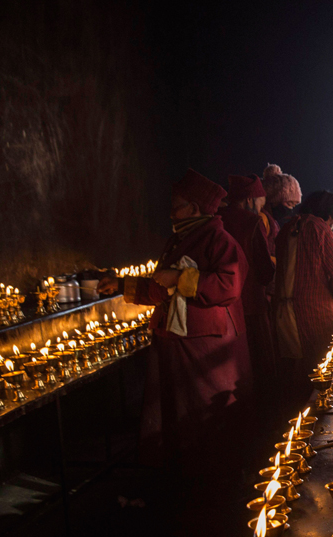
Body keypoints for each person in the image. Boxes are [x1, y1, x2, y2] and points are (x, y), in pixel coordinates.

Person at [99, 169, 250, 463]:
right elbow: (160, 287)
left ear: (194, 208)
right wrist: (119, 285)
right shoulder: (180, 239)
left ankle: (214, 472)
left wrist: (182, 278)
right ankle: (183, 471)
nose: (171, 211)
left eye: (176, 204)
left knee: (203, 407)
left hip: (204, 344)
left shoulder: (219, 240)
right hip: (175, 339)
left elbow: (229, 285)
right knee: (178, 411)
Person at [272, 191, 333, 408]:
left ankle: (292, 416)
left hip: (283, 309)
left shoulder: (288, 227)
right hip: (313, 310)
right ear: (330, 215)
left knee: (293, 364)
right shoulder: (319, 229)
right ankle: (318, 418)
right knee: (321, 365)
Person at [218, 174, 276, 394]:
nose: (262, 206)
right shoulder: (252, 222)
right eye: (261, 200)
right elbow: (263, 268)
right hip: (251, 302)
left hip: (224, 306)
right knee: (259, 361)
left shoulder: (217, 218)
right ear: (251, 199)